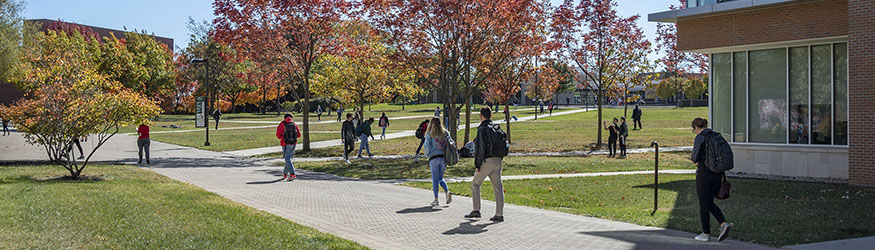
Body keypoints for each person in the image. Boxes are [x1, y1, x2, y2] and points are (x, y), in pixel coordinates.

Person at [690, 118, 732, 242]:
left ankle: (706, 233)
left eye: (694, 130)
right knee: (708, 202)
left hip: (704, 174)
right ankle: (723, 223)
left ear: (696, 128)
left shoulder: (700, 137)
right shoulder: (716, 136)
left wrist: (693, 158)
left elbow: (695, 157)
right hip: (717, 173)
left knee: (703, 204)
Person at [465, 107, 505, 222]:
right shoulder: (496, 128)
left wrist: (477, 165)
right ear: (491, 115)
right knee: (498, 187)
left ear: (481, 116)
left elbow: (480, 148)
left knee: (475, 184)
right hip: (498, 160)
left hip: (486, 161)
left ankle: (476, 210)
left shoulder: (482, 129)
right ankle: (499, 214)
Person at [423, 117, 453, 207]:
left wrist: (427, 155)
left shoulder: (429, 133)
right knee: (441, 178)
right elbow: (451, 142)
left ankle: (436, 199)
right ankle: (447, 191)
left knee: (435, 179)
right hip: (443, 157)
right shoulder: (445, 133)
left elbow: (427, 146)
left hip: (433, 157)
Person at [275, 113, 301, 181]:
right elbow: (299, 135)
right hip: (293, 143)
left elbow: (278, 135)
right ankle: (285, 173)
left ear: (284, 118)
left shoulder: (282, 124)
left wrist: (283, 136)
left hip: (285, 143)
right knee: (289, 159)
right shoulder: (294, 124)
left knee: (287, 159)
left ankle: (292, 174)